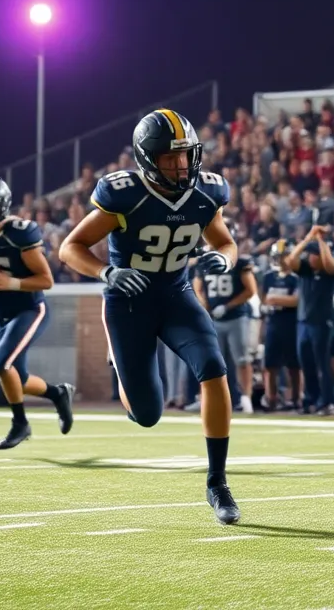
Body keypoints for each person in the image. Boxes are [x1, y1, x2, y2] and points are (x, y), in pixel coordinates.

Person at [58, 108, 241, 525]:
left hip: (176, 295)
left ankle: (217, 482)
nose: (180, 166)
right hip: (128, 303)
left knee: (214, 368)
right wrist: (107, 271)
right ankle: (121, 365)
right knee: (147, 415)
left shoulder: (207, 192)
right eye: (169, 158)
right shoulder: (124, 193)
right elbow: (71, 246)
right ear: (146, 159)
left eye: (185, 156)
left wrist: (223, 260)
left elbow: (226, 242)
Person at [0, 174, 74, 449]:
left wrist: (9, 282)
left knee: (0, 363)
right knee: (17, 375)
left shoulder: (19, 233)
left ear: (2, 205)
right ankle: (58, 393)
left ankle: (20, 423)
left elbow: (46, 280)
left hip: (29, 308)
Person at [193, 228, 258, 414]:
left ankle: (246, 399)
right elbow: (198, 288)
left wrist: (228, 306)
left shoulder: (238, 260)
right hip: (214, 318)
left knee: (242, 359)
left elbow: (250, 289)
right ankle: (209, 399)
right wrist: (206, 307)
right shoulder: (203, 260)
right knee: (212, 361)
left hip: (236, 317)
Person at [282, 226, 334, 414]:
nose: (311, 258)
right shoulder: (305, 270)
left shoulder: (328, 274)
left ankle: (327, 401)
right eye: (310, 255)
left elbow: (330, 264)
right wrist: (308, 238)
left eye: (314, 255)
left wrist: (321, 241)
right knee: (305, 363)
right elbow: (291, 259)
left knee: (322, 363)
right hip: (303, 322)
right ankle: (310, 400)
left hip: (321, 322)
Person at [260, 239, 301, 411]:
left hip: (290, 323)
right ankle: (271, 398)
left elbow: (296, 301)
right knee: (270, 364)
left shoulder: (296, 277)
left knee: (293, 365)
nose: (281, 260)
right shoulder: (269, 276)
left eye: (284, 256)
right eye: (278, 256)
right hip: (273, 322)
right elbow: (263, 299)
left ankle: (296, 398)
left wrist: (274, 300)